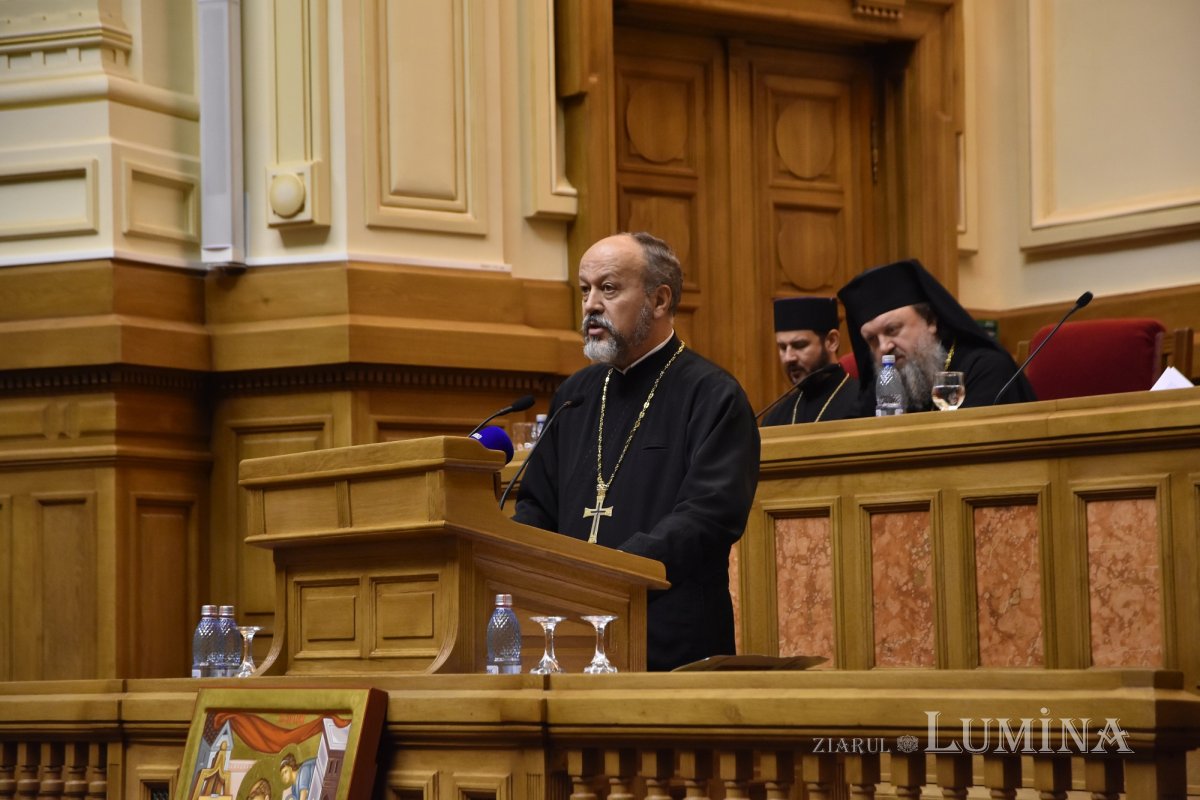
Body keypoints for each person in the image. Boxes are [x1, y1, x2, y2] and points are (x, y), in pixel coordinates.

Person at [514, 231, 760, 672]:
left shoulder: (711, 395)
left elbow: (709, 515)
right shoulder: (576, 396)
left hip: (669, 643)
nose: (590, 304)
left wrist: (613, 572)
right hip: (570, 640)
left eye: (608, 289)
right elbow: (536, 505)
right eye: (585, 289)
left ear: (660, 300)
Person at [837, 258, 1036, 412]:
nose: (883, 347)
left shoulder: (986, 369)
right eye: (872, 340)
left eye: (892, 330)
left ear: (931, 321)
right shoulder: (884, 386)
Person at [761, 296, 860, 426]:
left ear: (832, 341)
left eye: (800, 345)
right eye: (782, 347)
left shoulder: (864, 403)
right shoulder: (774, 419)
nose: (788, 357)